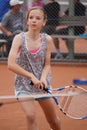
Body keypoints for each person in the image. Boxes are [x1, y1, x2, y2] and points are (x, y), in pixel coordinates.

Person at [8, 6, 61, 130]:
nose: (34, 20)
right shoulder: (19, 38)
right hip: (23, 85)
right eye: (31, 17)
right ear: (27, 21)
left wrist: (42, 79)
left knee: (53, 121)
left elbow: (47, 64)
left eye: (38, 18)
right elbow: (11, 64)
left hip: (42, 85)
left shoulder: (47, 39)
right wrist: (31, 76)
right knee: (31, 116)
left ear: (44, 22)